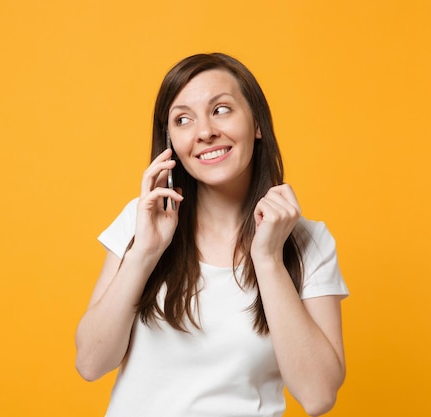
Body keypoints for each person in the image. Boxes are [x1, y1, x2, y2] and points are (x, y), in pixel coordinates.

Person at [75, 53, 349, 417]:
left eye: (221, 110)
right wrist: (145, 252)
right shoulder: (141, 221)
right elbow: (91, 363)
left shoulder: (307, 242)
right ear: (171, 141)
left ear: (257, 124)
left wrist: (267, 260)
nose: (204, 132)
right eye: (183, 119)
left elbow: (318, 397)